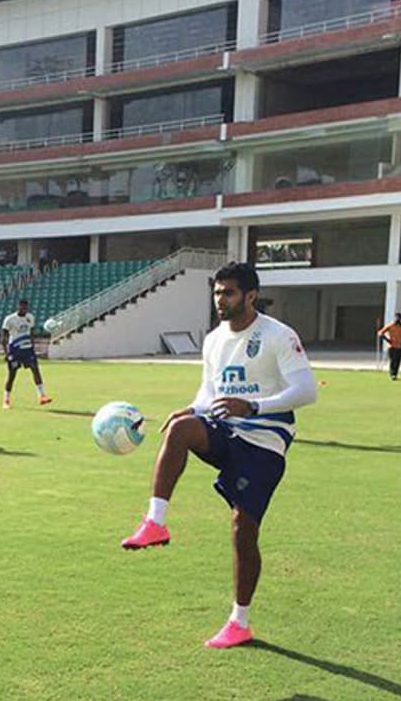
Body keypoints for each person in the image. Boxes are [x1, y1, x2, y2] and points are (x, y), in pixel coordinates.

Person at [120, 262, 316, 649]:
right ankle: (155, 523)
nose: (220, 300)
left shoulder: (278, 335)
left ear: (250, 296)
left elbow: (307, 390)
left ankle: (239, 621)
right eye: (216, 292)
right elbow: (209, 393)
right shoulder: (213, 340)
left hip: (265, 441)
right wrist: (192, 409)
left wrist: (254, 407)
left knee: (244, 530)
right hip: (227, 430)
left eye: (228, 293)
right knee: (179, 429)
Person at [0, 298, 52, 409]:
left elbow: (31, 333)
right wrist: (6, 352)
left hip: (28, 350)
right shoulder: (10, 319)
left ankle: (42, 396)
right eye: (22, 307)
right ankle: (6, 400)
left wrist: (33, 347)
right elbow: (3, 337)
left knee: (35, 370)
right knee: (12, 375)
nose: (24, 309)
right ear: (18, 307)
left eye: (26, 307)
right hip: (15, 350)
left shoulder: (30, 318)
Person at [377, 313, 401, 380]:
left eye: (399, 318)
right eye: (396, 318)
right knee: (393, 361)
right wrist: (388, 340)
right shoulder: (391, 326)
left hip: (400, 347)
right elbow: (380, 333)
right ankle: (392, 374)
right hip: (392, 346)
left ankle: (395, 374)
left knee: (397, 361)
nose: (397, 319)